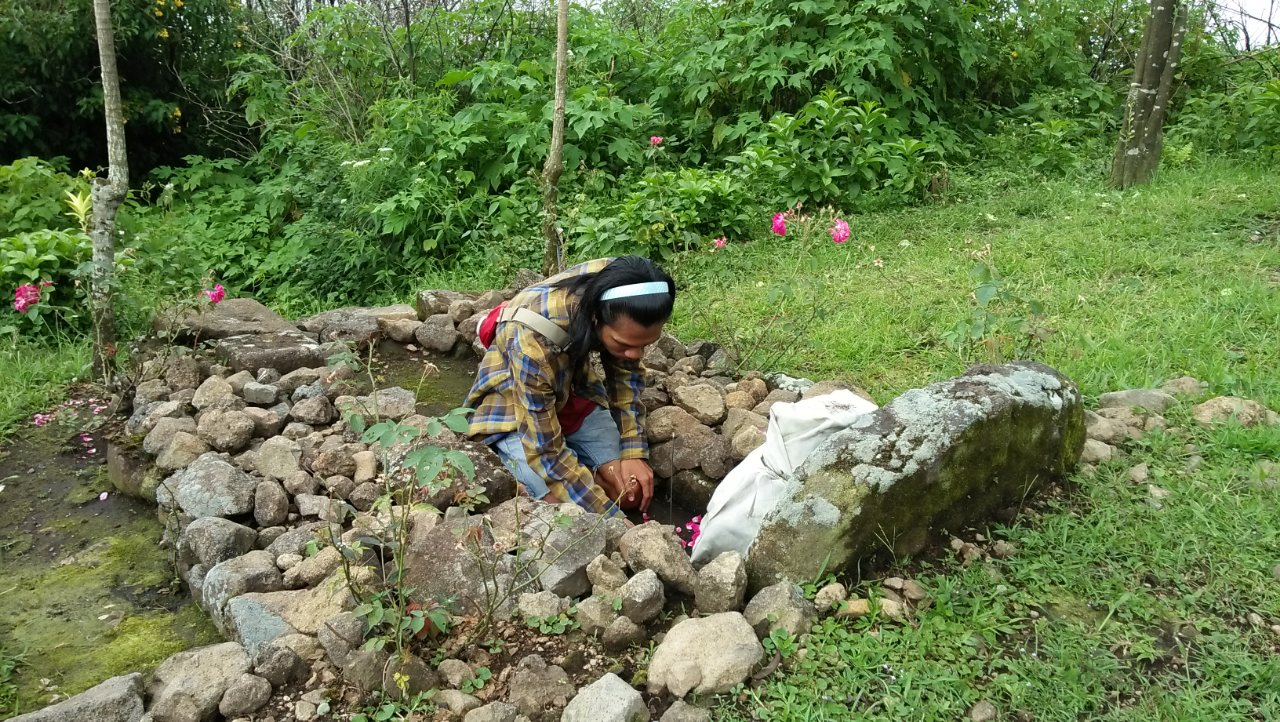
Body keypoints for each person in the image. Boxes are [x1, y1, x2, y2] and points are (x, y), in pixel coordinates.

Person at [464, 256, 675, 516]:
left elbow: (625, 374)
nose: (634, 354)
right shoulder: (533, 346)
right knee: (564, 511)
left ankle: (582, 477)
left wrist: (633, 451)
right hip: (510, 402)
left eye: (643, 345)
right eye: (623, 344)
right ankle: (512, 462)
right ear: (596, 318)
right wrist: (610, 521)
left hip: (569, 386)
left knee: (631, 494)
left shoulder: (627, 284)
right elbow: (545, 451)